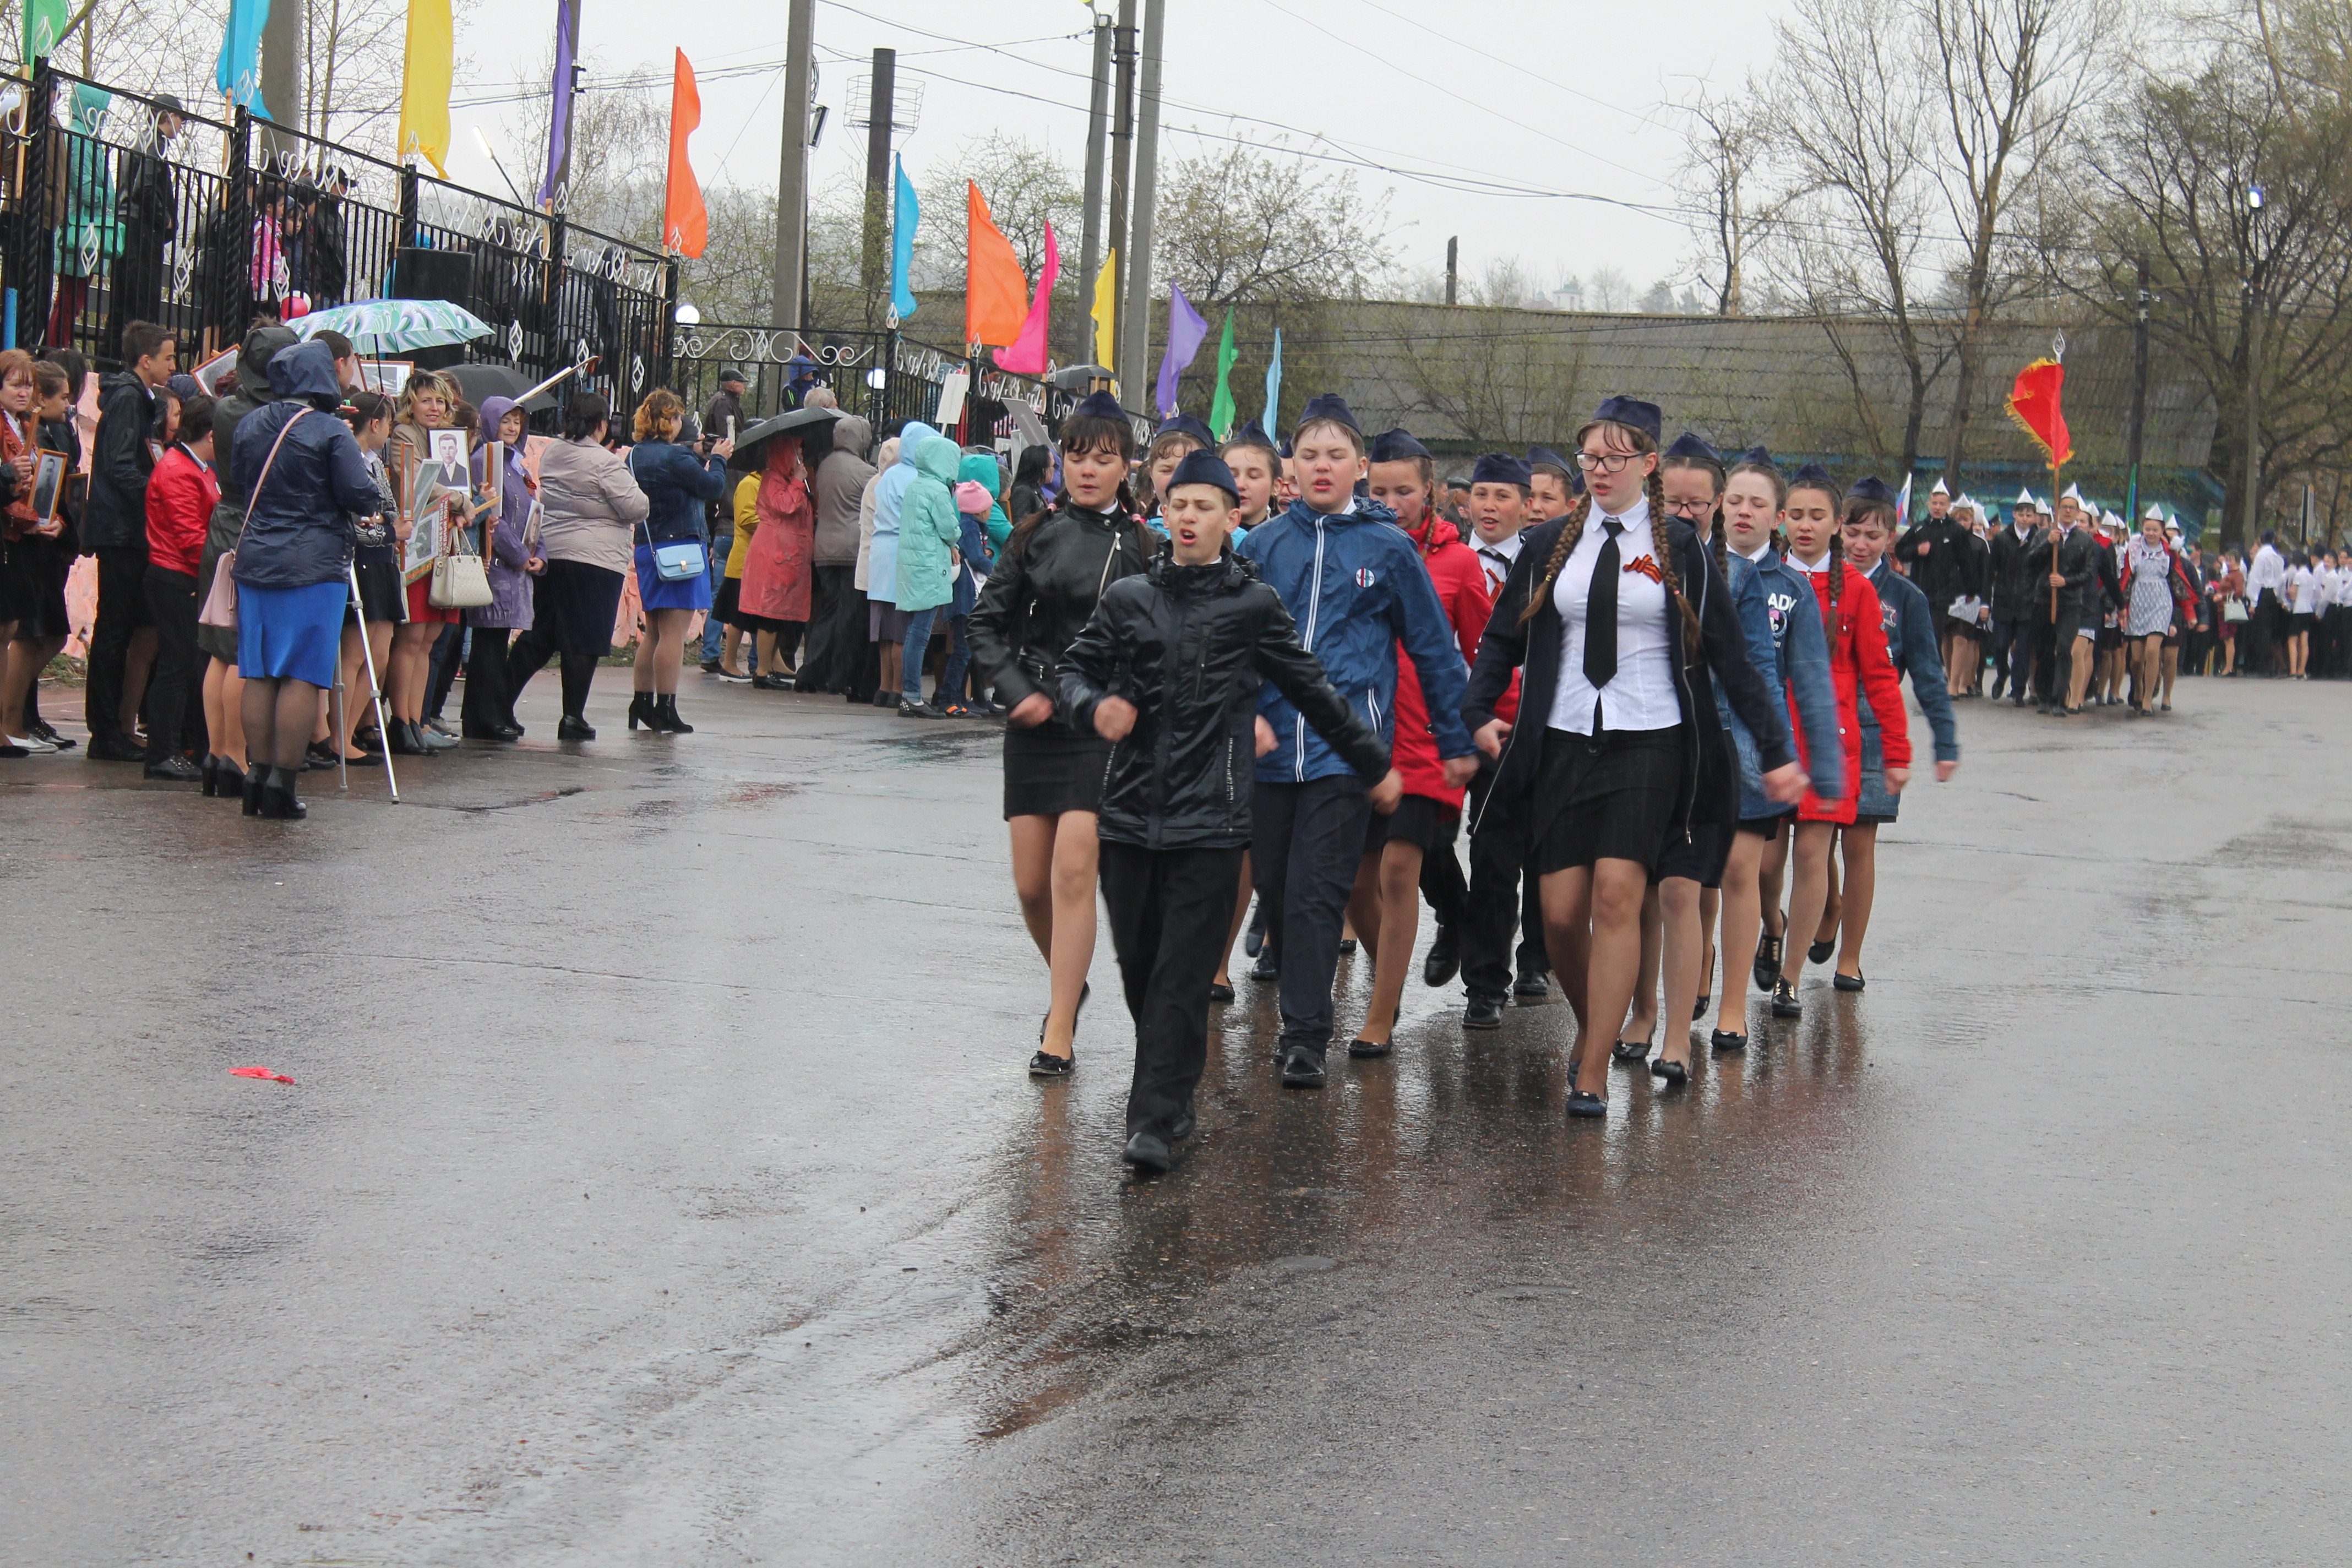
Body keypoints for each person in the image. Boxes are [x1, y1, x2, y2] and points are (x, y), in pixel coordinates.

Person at [1059, 449, 1402, 1170]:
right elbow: (1073, 671)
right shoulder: (1128, 600)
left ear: (1232, 517)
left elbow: (1313, 688)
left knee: (1182, 976)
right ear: (1165, 512)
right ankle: (1173, 1092)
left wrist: (1373, 764)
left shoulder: (1253, 607)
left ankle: (1153, 1117)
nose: (1188, 517)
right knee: (1141, 972)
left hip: (1211, 823)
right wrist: (1097, 706)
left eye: (1203, 506)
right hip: (1127, 818)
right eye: (1178, 505)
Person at [1463, 399, 1803, 1117]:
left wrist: (1773, 747)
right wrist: (1472, 714)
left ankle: (1591, 1070)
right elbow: (1501, 640)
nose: (1601, 469)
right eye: (1591, 457)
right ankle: (1599, 1021)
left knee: (1619, 894)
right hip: (1560, 740)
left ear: (1647, 465)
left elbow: (1731, 658)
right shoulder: (1550, 542)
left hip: (1650, 742)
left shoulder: (1681, 548)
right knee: (1559, 914)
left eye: (1617, 458)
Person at [1238, 395, 1477, 1090]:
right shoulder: (1263, 546)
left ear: (1360, 467)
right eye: (1308, 454)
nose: (1321, 466)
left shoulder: (1389, 549)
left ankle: (1306, 1036)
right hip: (1273, 747)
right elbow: (1231, 643)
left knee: (1319, 889)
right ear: (1290, 466)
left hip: (1350, 751)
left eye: (1336, 455)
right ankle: (1304, 1013)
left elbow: (1434, 651)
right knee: (1278, 888)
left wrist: (1454, 737)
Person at [968, 391, 1156, 1076]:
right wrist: (1015, 693)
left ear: (1125, 467)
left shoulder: (1145, 545)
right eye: (1077, 455)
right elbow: (985, 625)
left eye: (1103, 459)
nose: (1087, 469)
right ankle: (1069, 985)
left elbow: (1156, 641)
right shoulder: (1032, 532)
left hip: (1100, 724)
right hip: (1035, 717)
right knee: (1029, 884)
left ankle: (1058, 1033)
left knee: (1074, 870)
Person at [1347, 426, 1489, 1059]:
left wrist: (1487, 721)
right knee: (1356, 881)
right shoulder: (1348, 546)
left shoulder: (1459, 563)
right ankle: (1392, 977)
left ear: (1429, 490)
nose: (1391, 501)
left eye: (1404, 490)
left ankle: (1379, 1014)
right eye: (1379, 489)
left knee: (1401, 866)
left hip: (1426, 736)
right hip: (1357, 730)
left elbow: (1485, 653)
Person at [1707, 449, 1841, 1056]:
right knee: (1691, 881)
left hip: (1755, 750)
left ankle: (1734, 1004)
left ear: (1778, 517)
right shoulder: (1694, 568)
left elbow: (1811, 680)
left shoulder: (1791, 589)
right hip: (1687, 743)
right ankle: (1695, 971)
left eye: (1757, 503)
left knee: (1745, 869)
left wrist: (1816, 765)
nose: (1743, 511)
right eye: (1734, 499)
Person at [1768, 465, 1909, 1017]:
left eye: (1817, 516)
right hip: (1769, 742)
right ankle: (1772, 927)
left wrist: (1896, 749)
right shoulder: (1759, 578)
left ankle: (1791, 975)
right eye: (1796, 515)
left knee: (1812, 855)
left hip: (1832, 746)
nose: (1806, 526)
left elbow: (1880, 677)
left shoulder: (1856, 591)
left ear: (1835, 525)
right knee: (1761, 867)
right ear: (1783, 520)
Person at [1812, 478, 1957, 989]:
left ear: (1891, 537)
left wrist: (1945, 738)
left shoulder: (1906, 597)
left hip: (1873, 728)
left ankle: (1850, 957)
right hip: (1819, 723)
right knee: (1816, 840)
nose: (1860, 544)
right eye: (1852, 532)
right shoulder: (1813, 580)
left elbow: (1928, 672)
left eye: (1873, 535)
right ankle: (1827, 905)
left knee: (1859, 844)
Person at [229, 341, 379, 819]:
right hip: (313, 566)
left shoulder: (250, 423)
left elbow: (237, 482)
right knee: (302, 674)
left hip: (256, 560)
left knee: (259, 669)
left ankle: (256, 777)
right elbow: (361, 494)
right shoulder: (330, 430)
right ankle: (283, 785)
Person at [1451, 453, 1544, 1024]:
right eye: (1481, 494)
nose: (1489, 506)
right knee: (1458, 847)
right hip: (1457, 721)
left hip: (1522, 724)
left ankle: (1519, 965)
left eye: (1502, 496)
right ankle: (1468, 953)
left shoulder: (1541, 561)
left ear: (1526, 505)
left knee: (1518, 851)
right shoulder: (1450, 560)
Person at [506, 391, 648, 739]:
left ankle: (499, 699)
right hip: (596, 560)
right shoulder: (605, 462)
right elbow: (637, 507)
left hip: (555, 551)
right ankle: (573, 716)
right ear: (602, 425)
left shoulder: (553, 452)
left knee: (542, 633)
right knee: (583, 639)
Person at [82, 320, 177, 762]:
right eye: (168, 357)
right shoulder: (126, 398)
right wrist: (157, 491)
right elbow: (120, 465)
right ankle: (105, 731)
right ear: (146, 360)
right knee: (114, 631)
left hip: (132, 530)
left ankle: (117, 725)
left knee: (130, 628)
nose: (173, 365)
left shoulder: (143, 399)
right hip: (121, 531)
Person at [623, 389, 732, 733]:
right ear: (669, 421)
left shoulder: (635, 455)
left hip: (649, 547)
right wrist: (719, 459)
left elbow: (672, 466)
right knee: (674, 633)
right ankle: (666, 707)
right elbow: (712, 487)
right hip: (682, 549)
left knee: (653, 631)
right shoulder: (676, 459)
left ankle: (641, 703)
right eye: (677, 417)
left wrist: (696, 451)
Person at [2, 361, 83, 755]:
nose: (23, 393)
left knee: (27, 632)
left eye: (28, 386)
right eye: (14, 385)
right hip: (13, 539)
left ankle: (15, 721)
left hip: (31, 539)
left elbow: (44, 487)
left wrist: (56, 523)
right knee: (16, 634)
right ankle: (10, 722)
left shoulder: (30, 430)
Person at [138, 391, 219, 781]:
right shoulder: (178, 470)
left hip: (187, 575)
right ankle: (162, 752)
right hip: (175, 576)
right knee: (176, 665)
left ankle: (183, 746)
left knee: (188, 665)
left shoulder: (197, 466)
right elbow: (190, 537)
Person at [383, 372, 465, 754]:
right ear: (410, 404)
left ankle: (416, 718)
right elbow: (416, 480)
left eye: (441, 401)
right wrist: (458, 498)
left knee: (431, 637)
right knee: (412, 636)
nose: (435, 408)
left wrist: (469, 500)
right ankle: (401, 720)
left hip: (442, 541)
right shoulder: (403, 435)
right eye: (427, 400)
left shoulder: (447, 440)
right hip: (416, 544)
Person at [327, 391, 401, 766]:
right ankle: (339, 735)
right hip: (360, 561)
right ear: (374, 424)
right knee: (355, 654)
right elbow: (357, 521)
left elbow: (387, 508)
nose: (389, 432)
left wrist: (388, 524)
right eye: (388, 424)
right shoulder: (349, 461)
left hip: (382, 561)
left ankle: (352, 728)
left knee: (379, 652)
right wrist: (387, 530)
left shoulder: (375, 463)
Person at [461, 396, 536, 740]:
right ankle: (483, 718)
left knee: (497, 641)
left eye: (517, 421)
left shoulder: (516, 465)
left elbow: (531, 512)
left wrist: (539, 553)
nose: (511, 428)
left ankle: (495, 712)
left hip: (515, 566)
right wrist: (519, 554)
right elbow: (493, 515)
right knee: (487, 643)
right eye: (505, 420)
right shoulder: (484, 461)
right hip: (495, 563)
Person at [866, 421, 941, 710]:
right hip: (904, 552)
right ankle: (900, 689)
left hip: (881, 553)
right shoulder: (917, 479)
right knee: (903, 629)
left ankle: (884, 687)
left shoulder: (889, 475)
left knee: (885, 630)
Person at [892, 434, 966, 719]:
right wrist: (954, 544)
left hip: (912, 567)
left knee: (913, 632)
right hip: (929, 567)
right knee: (920, 635)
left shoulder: (915, 486)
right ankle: (912, 697)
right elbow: (950, 529)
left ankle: (908, 696)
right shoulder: (937, 491)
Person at [105, 98, 183, 362]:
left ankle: (110, 364)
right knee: (140, 308)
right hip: (142, 232)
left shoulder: (140, 141)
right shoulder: (155, 145)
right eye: (181, 118)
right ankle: (132, 367)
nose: (181, 126)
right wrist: (166, 220)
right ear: (169, 116)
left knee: (122, 306)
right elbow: (144, 189)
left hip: (129, 228)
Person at [803, 415, 873, 694]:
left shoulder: (824, 466)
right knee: (849, 615)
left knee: (827, 611)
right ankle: (839, 675)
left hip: (824, 546)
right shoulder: (864, 471)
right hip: (851, 548)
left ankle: (810, 670)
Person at [738, 433, 814, 689]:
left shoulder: (789, 480)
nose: (801, 458)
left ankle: (770, 667)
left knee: (778, 615)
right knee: (769, 616)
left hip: (787, 555)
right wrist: (797, 482)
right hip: (775, 555)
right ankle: (762, 671)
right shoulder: (773, 478)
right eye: (798, 453)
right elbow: (785, 505)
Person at [1988, 492, 2043, 705]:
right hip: (2004, 599)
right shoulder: (2002, 538)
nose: (2025, 519)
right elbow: (1991, 570)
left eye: (2030, 515)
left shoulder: (2040, 539)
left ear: (2035, 517)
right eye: (2022, 514)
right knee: (2000, 646)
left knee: (2023, 649)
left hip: (2029, 602)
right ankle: (2002, 673)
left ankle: (2018, 690)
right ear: (2014, 515)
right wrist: (1987, 599)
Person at [1139, 415, 1212, 529]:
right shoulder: (1134, 535)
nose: (1177, 478)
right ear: (1151, 473)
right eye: (1167, 470)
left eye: (1188, 469)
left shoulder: (1237, 539)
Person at [2245, 529, 2286, 675]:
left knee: (2261, 631)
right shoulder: (2279, 558)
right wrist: (2280, 598)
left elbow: (2255, 579)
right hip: (2273, 594)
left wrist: (2253, 602)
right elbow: (2281, 579)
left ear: (2262, 540)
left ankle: (2260, 666)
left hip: (2262, 593)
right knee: (2270, 632)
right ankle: (2270, 666)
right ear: (2274, 541)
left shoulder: (2261, 556)